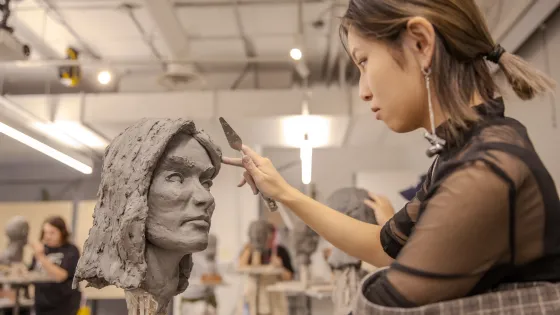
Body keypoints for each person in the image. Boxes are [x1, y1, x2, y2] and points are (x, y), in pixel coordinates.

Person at [223, 0, 560, 312]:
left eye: (364, 61)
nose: (363, 90)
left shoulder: (485, 169)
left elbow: (382, 307)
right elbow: (385, 246)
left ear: (420, 43)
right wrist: (282, 191)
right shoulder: (462, 153)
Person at [29, 216, 81, 315]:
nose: (47, 236)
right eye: (45, 232)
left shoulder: (71, 250)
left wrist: (41, 256)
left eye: (52, 233)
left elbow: (61, 276)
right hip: (41, 306)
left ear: (62, 233)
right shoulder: (42, 251)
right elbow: (32, 274)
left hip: (63, 307)